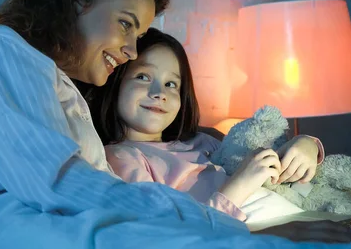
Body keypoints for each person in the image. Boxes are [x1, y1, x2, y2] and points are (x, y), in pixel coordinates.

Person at [0, 0, 351, 244]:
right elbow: (59, 185)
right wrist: (232, 230)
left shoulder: (48, 79)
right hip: (16, 229)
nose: (131, 51)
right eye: (126, 25)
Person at [87, 27, 325, 221]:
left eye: (172, 84)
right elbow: (165, 232)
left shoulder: (203, 141)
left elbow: (247, 157)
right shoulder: (121, 157)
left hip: (298, 214)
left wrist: (306, 144)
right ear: (116, 84)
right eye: (143, 77)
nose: (159, 92)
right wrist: (239, 185)